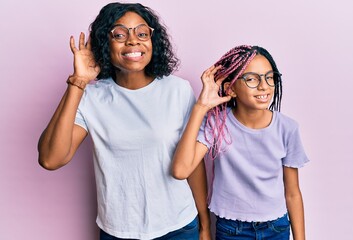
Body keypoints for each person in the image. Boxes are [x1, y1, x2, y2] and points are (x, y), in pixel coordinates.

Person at [38, 2, 211, 240]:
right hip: (118, 232)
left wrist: (204, 223)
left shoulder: (178, 90)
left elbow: (192, 162)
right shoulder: (91, 97)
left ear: (153, 41)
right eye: (119, 34)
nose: (132, 41)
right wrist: (78, 81)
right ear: (104, 43)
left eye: (142, 33)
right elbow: (50, 159)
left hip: (179, 227)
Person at [172, 45, 309, 239]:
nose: (264, 86)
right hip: (231, 230)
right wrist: (201, 106)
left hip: (277, 228)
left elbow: (293, 193)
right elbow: (180, 170)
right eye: (252, 79)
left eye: (270, 77)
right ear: (231, 88)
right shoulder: (216, 123)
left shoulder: (288, 128)